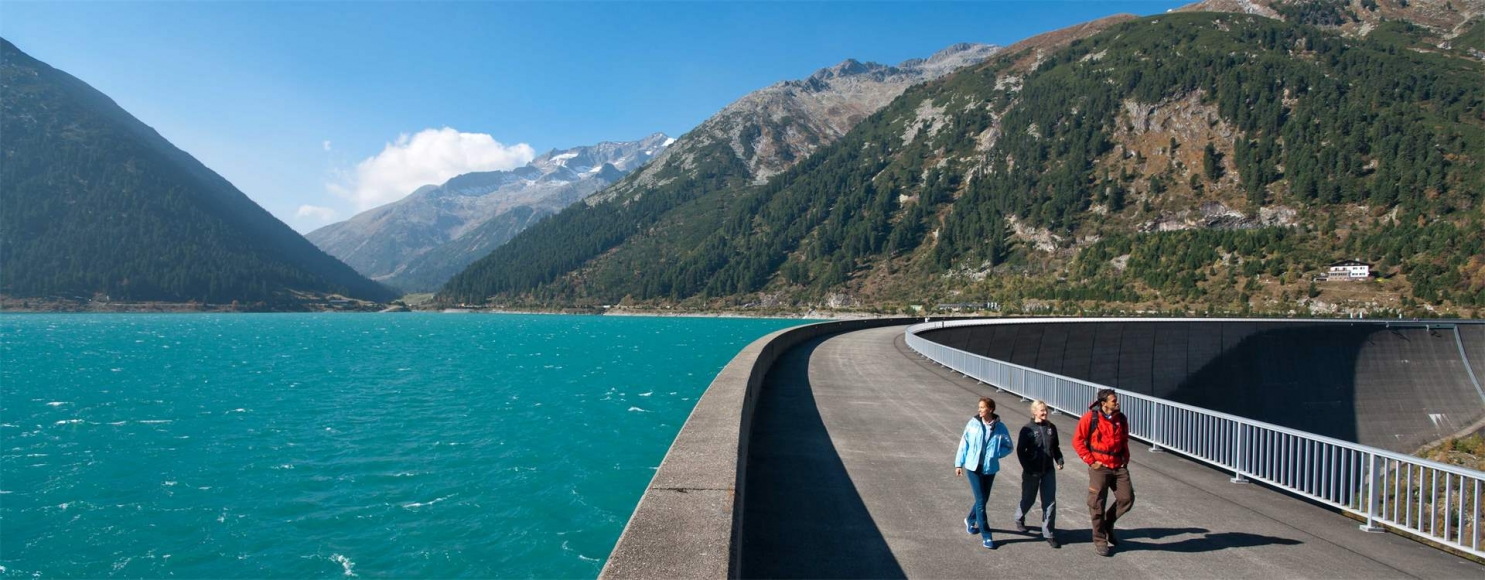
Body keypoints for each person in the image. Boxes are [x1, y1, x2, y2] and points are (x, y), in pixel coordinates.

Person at [1074, 388, 1134, 557]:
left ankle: (1108, 523)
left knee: (1126, 498)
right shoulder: (1090, 418)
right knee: (1096, 503)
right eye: (1113, 401)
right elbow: (1077, 441)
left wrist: (1125, 460)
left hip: (1118, 465)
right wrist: (1091, 461)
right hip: (1100, 467)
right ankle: (1100, 539)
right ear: (1104, 404)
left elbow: (1124, 441)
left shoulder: (1121, 419)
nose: (1117, 403)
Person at [955, 396, 1014, 549]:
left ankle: (970, 519)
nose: (979, 410)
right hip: (973, 467)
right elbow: (964, 443)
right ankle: (987, 536)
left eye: (982, 407)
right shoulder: (973, 424)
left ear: (990, 409)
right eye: (979, 407)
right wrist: (958, 464)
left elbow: (1009, 446)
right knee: (981, 502)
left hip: (990, 468)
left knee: (984, 499)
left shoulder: (1000, 427)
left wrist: (997, 454)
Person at [1014, 400, 1064, 548]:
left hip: (1048, 470)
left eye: (1046, 410)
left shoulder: (1051, 428)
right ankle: (1019, 518)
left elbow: (1055, 447)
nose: (1045, 413)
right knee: (1028, 498)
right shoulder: (1027, 429)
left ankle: (1048, 533)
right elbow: (1020, 451)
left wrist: (1059, 459)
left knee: (1050, 502)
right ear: (1034, 412)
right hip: (1032, 471)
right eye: (1041, 411)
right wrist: (1028, 468)